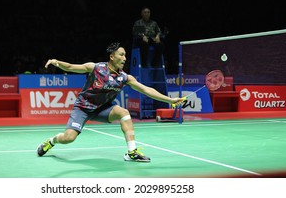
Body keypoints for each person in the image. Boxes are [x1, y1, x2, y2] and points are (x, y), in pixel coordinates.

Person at [37, 42, 187, 162]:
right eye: (121, 55)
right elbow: (70, 67)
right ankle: (51, 141)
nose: (124, 58)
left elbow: (146, 90)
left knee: (124, 112)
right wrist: (56, 62)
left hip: (103, 109)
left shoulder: (124, 77)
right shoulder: (96, 68)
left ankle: (131, 152)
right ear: (112, 57)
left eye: (125, 55)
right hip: (83, 108)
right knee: (69, 138)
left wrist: (170, 100)